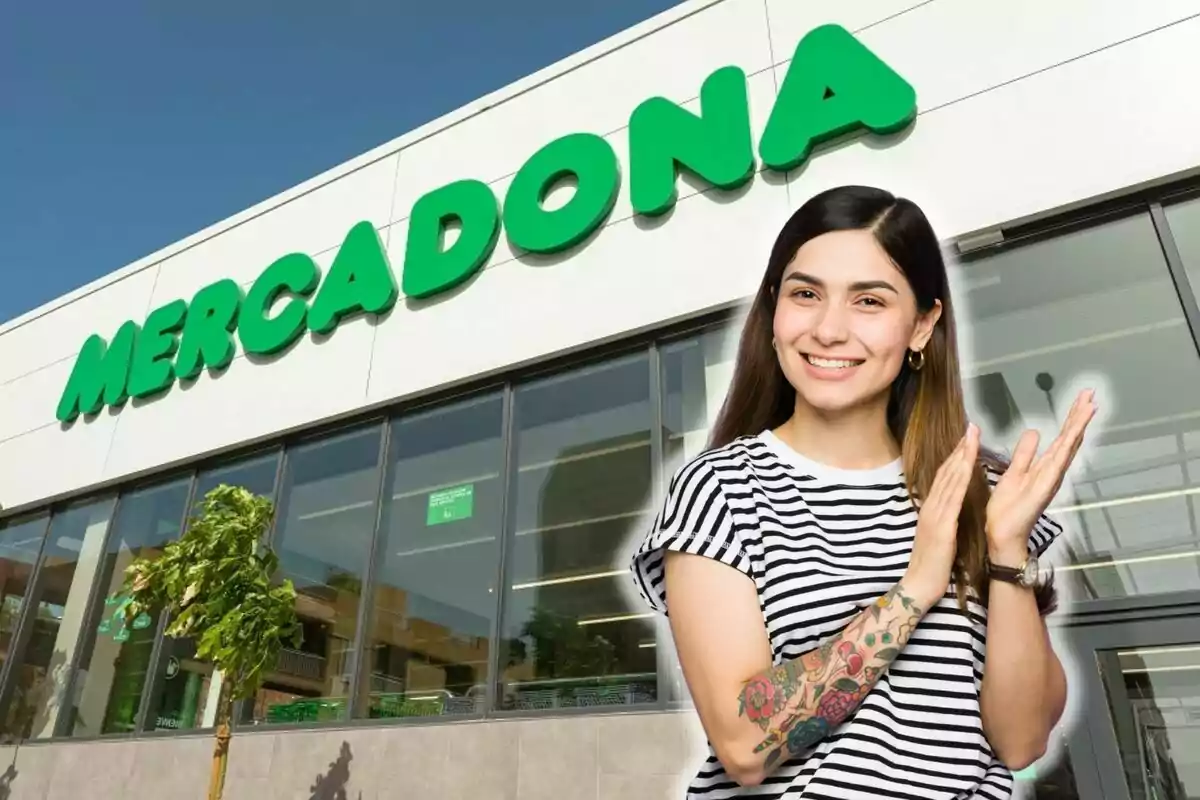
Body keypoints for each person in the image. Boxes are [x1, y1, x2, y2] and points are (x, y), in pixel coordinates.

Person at [629, 185, 1095, 799]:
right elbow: (744, 745)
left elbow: (1020, 740)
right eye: (805, 295)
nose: (828, 329)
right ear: (774, 313)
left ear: (922, 325)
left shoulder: (984, 490)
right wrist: (915, 588)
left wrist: (1006, 551)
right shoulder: (723, 489)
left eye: (869, 301)